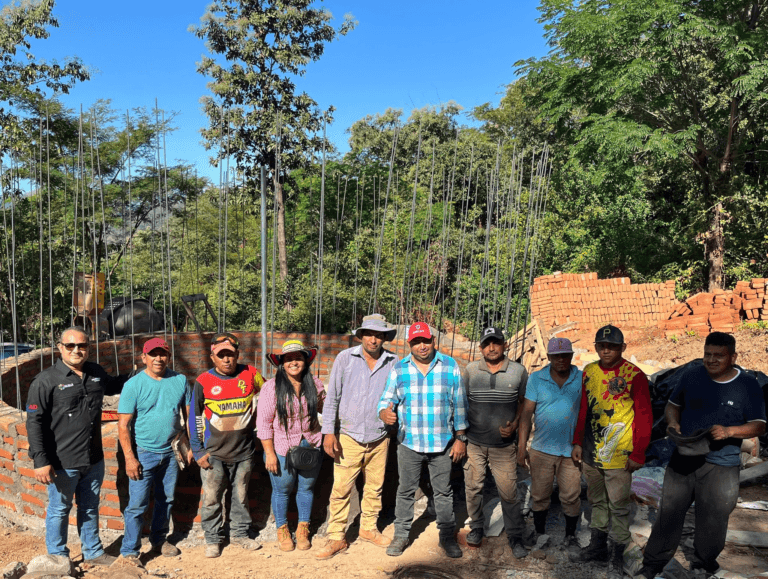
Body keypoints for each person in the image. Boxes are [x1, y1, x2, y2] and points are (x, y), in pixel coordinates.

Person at [635, 333, 766, 579]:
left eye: (719, 355)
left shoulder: (747, 385)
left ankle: (703, 565)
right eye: (708, 354)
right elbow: (673, 405)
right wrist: (672, 423)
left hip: (722, 464)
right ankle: (652, 565)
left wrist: (730, 432)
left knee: (713, 519)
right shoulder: (691, 376)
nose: (711, 360)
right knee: (669, 513)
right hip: (684, 456)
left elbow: (759, 426)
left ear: (733, 357)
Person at [26, 326, 131, 566]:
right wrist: (40, 460)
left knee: (90, 507)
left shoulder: (95, 372)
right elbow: (34, 422)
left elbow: (113, 385)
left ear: (88, 348)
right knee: (59, 510)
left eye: (82, 346)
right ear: (60, 348)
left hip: (93, 458)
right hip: (62, 461)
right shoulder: (45, 381)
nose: (76, 350)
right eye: (70, 346)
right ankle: (58, 557)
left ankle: (93, 552)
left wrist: (138, 373)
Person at [378, 322, 468, 559]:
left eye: (426, 341)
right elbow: (386, 400)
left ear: (433, 341)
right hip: (410, 442)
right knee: (405, 490)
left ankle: (447, 537)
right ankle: (401, 535)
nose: (422, 346)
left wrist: (461, 438)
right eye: (416, 342)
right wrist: (383, 413)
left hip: (442, 443)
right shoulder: (399, 369)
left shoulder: (450, 366)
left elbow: (459, 405)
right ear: (410, 344)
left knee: (443, 492)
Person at [571, 325, 652, 579]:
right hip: (591, 453)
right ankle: (597, 547)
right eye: (602, 346)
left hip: (619, 455)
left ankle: (616, 556)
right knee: (596, 501)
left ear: (623, 348)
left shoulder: (634, 375)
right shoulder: (590, 371)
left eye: (612, 346)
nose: (606, 350)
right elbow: (583, 409)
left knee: (618, 506)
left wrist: (638, 453)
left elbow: (644, 416)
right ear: (595, 347)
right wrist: (577, 443)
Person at [315, 314, 399, 560]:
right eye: (369, 334)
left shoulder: (393, 362)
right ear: (361, 335)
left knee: (374, 486)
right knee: (341, 488)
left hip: (379, 436)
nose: (374, 340)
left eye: (379, 335)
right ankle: (336, 537)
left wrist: (391, 416)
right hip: (348, 435)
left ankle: (368, 528)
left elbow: (398, 395)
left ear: (384, 338)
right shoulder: (345, 359)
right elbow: (332, 398)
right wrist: (328, 432)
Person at [189, 332, 266, 558]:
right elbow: (194, 417)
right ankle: (213, 539)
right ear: (212, 357)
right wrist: (198, 450)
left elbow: (268, 393)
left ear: (237, 355)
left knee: (241, 496)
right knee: (212, 498)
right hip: (213, 454)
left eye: (230, 355)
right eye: (221, 356)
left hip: (244, 452)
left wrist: (261, 422)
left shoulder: (250, 373)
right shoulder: (203, 381)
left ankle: (240, 534)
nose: (226, 360)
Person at [118, 337, 191, 559]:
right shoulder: (133, 385)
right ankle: (130, 551)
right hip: (144, 453)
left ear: (169, 356)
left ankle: (159, 540)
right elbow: (123, 425)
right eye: (153, 354)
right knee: (137, 505)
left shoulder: (180, 380)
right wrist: (130, 458)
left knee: (166, 499)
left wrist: (190, 446)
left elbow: (188, 417)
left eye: (163, 354)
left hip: (170, 452)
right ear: (144, 358)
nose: (158, 358)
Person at [462, 326, 529, 558]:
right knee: (473, 488)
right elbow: (461, 405)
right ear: (481, 347)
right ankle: (477, 527)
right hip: (474, 443)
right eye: (487, 343)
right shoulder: (471, 371)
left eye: (496, 342)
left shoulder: (518, 371)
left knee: (509, 492)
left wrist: (514, 425)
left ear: (505, 345)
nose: (492, 347)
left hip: (503, 447)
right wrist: (460, 438)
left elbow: (524, 405)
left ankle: (515, 536)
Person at [256, 340, 325, 552]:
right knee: (282, 489)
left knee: (306, 488)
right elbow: (263, 423)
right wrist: (269, 453)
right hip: (282, 447)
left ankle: (303, 528)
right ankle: (282, 528)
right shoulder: (271, 388)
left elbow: (326, 409)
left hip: (311, 444)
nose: (294, 362)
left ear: (305, 360)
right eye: (289, 359)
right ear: (282, 363)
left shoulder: (316, 384)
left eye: (298, 358)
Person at [517, 337, 583, 551]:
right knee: (540, 495)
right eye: (556, 356)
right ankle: (539, 532)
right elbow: (526, 414)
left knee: (571, 496)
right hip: (542, 450)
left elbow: (587, 415)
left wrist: (582, 443)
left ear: (572, 356)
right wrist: (521, 447)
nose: (561, 360)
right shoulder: (537, 379)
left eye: (565, 355)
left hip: (571, 451)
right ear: (549, 357)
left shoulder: (582, 379)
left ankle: (570, 535)